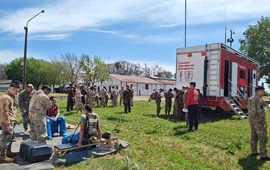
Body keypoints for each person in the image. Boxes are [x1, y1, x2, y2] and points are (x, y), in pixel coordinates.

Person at [0, 81, 21, 163]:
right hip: (6, 121)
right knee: (6, 138)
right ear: (12, 89)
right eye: (17, 91)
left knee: (10, 137)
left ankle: (8, 152)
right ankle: (2, 156)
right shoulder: (6, 98)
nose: (17, 93)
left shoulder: (8, 96)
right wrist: (8, 123)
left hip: (8, 120)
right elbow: (5, 112)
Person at [247, 86, 270, 160]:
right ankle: (263, 155)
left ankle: (254, 151)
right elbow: (261, 112)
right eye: (263, 91)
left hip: (251, 120)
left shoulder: (250, 99)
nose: (264, 92)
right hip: (258, 121)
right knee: (263, 137)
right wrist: (264, 122)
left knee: (254, 136)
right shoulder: (258, 100)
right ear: (259, 91)